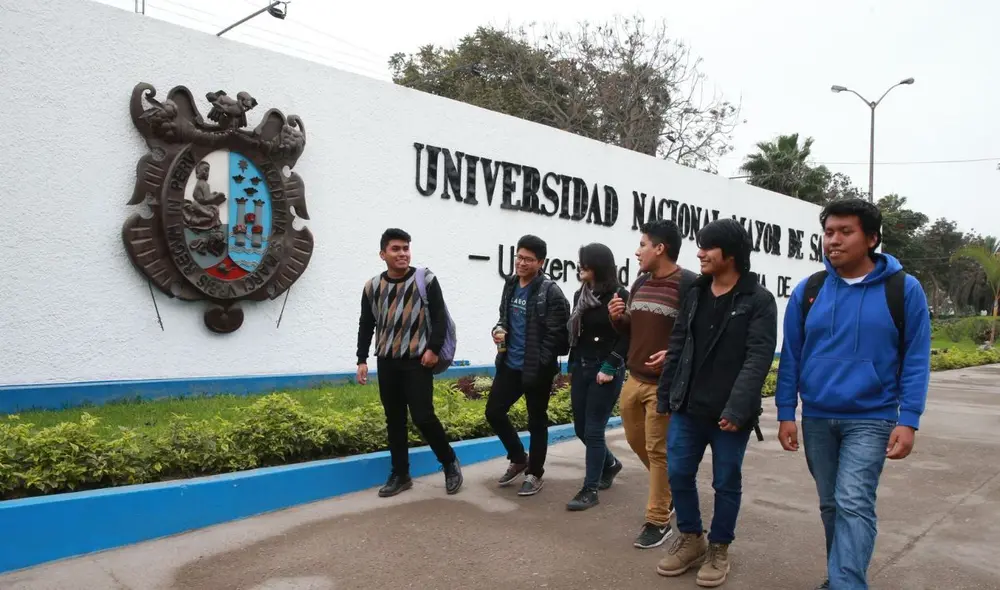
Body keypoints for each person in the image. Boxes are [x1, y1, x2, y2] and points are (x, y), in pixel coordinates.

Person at [775, 198, 931, 590]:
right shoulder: (810, 290)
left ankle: (847, 584)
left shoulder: (903, 289)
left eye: (846, 232)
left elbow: (915, 358)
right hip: (817, 416)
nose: (834, 240)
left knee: (852, 502)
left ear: (872, 238)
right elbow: (792, 353)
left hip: (873, 416)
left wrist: (909, 419)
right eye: (829, 232)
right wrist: (785, 412)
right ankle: (841, 575)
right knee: (832, 505)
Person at [654, 218, 777, 588]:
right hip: (688, 408)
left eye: (707, 247)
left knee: (725, 481)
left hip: (729, 415)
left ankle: (719, 546)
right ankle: (691, 538)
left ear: (731, 254)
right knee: (678, 473)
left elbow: (758, 358)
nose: (699, 253)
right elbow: (678, 343)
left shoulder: (758, 300)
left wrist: (738, 408)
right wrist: (666, 394)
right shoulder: (695, 291)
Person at [608, 219, 697, 549]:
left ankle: (658, 520)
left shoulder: (689, 285)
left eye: (643, 244)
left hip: (665, 384)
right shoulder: (641, 281)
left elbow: (697, 334)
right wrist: (617, 317)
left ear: (660, 248)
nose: (637, 250)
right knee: (635, 441)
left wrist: (673, 353)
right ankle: (671, 490)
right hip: (634, 378)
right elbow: (631, 328)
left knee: (658, 450)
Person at [356, 228, 463, 498]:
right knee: (394, 419)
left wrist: (433, 349)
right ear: (383, 254)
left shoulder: (424, 279)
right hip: (387, 361)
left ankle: (449, 462)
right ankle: (401, 474)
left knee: (423, 416)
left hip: (418, 360)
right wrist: (361, 359)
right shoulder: (372, 287)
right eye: (395, 249)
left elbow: (439, 317)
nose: (402, 253)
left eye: (405, 248)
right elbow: (366, 324)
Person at [487, 234, 570, 497]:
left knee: (537, 421)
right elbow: (503, 317)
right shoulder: (511, 284)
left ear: (541, 262)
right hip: (510, 363)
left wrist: (541, 362)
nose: (521, 263)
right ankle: (518, 457)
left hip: (537, 369)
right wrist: (499, 329)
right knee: (494, 411)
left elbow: (558, 336)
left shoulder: (550, 292)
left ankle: (535, 473)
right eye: (519, 257)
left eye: (528, 259)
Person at [564, 243, 631, 511]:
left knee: (593, 430)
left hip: (605, 369)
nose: (581, 267)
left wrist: (611, 366)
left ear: (598, 266)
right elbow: (576, 335)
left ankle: (590, 489)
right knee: (580, 428)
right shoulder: (581, 294)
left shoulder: (619, 295)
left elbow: (627, 335)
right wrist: (571, 365)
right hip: (581, 367)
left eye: (586, 263)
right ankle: (611, 464)